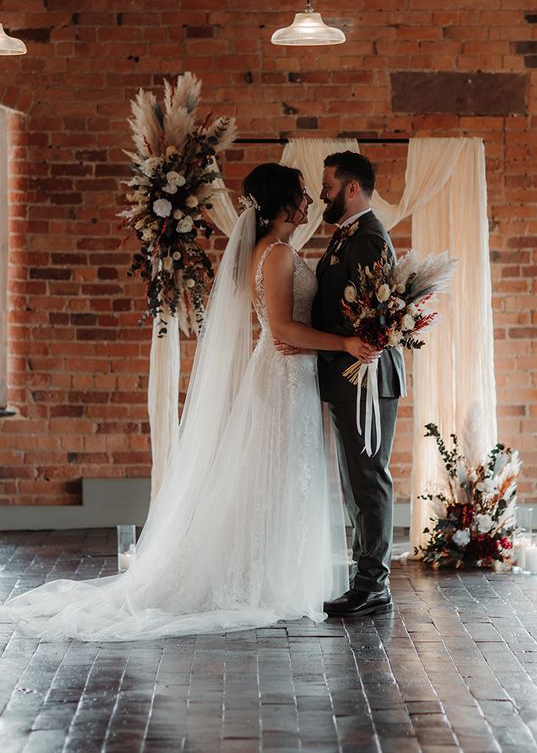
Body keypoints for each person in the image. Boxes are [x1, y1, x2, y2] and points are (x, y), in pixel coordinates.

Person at [2, 163, 377, 641]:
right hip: (284, 374)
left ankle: (275, 574)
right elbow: (281, 328)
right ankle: (261, 580)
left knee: (279, 476)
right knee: (278, 474)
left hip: (290, 371)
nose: (309, 202)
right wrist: (344, 344)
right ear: (283, 203)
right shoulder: (279, 254)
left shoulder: (274, 250)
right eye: (302, 195)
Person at [312, 151, 406, 617]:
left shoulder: (368, 238)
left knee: (368, 479)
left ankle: (374, 585)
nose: (322, 193)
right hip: (345, 375)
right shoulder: (345, 236)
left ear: (352, 188)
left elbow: (373, 322)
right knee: (354, 481)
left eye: (328, 185)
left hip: (365, 378)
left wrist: (336, 345)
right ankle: (363, 576)